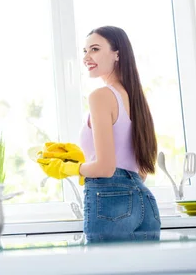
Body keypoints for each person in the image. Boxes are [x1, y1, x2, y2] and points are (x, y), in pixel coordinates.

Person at [38, 26, 160, 242]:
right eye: (84, 51)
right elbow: (139, 172)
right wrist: (85, 160)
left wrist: (68, 167)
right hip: (145, 201)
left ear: (117, 54)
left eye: (94, 49)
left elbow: (105, 168)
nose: (86, 57)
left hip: (109, 202)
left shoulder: (101, 96)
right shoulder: (134, 98)